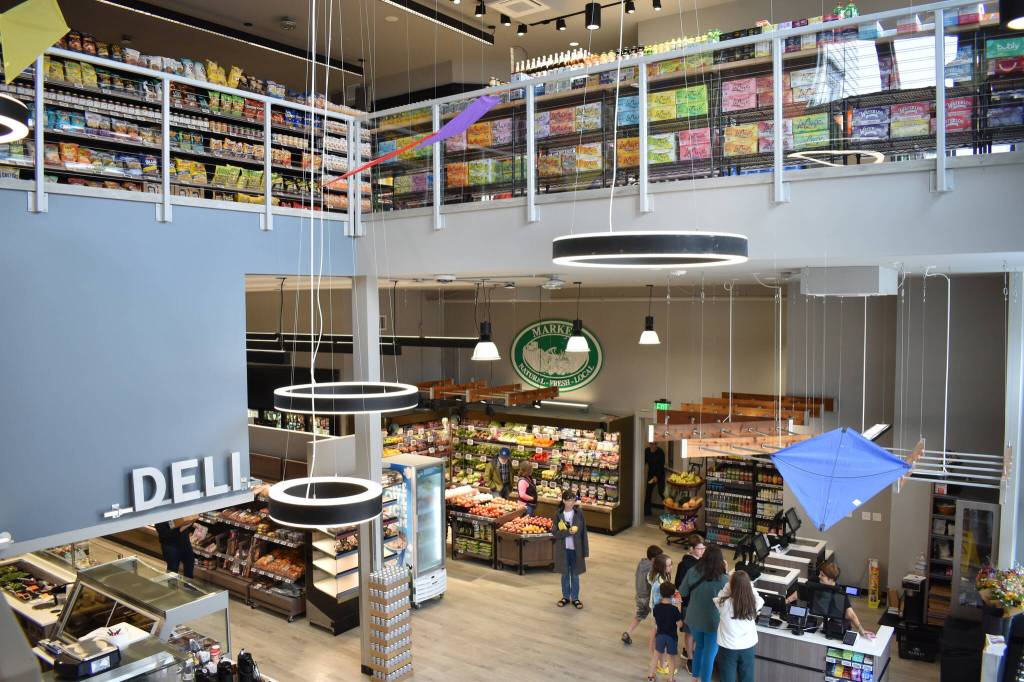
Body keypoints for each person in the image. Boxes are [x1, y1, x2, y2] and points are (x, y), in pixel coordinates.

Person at [786, 560, 875, 639]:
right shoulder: (815, 581)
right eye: (820, 574)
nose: (819, 576)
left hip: (829, 624)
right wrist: (787, 601)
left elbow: (850, 614)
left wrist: (861, 629)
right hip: (812, 619)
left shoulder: (839, 593)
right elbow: (800, 592)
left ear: (831, 579)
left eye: (822, 575)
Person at [679, 545, 729, 682]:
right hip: (713, 622)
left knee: (699, 647)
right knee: (709, 655)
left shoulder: (692, 571)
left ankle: (695, 677)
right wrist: (726, 572)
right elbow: (729, 602)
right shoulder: (724, 579)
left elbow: (683, 592)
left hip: (693, 618)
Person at [715, 570, 764, 682]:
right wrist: (748, 585)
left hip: (727, 648)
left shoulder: (723, 604)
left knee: (727, 678)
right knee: (747, 678)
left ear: (731, 586)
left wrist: (729, 583)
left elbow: (721, 594)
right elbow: (759, 598)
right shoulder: (753, 604)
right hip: (747, 647)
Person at [552, 489, 588, 609]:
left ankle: (575, 598)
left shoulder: (579, 513)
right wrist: (568, 532)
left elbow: (584, 533)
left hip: (576, 550)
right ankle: (566, 597)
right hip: (563, 550)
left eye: (573, 500)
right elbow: (555, 533)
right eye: (569, 500)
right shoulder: (558, 514)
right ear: (563, 501)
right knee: (565, 574)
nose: (571, 503)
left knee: (575, 575)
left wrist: (585, 550)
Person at [674, 534, 706, 668]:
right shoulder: (684, 565)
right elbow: (678, 584)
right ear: (691, 549)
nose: (702, 551)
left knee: (695, 631)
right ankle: (690, 658)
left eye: (703, 548)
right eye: (699, 549)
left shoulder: (702, 561)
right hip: (689, 603)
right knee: (690, 631)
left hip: (700, 602)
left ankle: (687, 649)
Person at [623, 544, 664, 645]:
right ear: (653, 559)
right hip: (648, 597)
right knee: (658, 617)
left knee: (640, 615)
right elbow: (655, 584)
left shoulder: (641, 563)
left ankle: (627, 633)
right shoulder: (652, 568)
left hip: (639, 596)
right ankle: (657, 640)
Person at [648, 581, 684, 682]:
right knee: (671, 658)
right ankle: (670, 679)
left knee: (656, 655)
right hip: (671, 637)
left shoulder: (656, 608)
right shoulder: (674, 610)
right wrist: (679, 608)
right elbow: (680, 624)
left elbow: (655, 622)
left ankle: (651, 676)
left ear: (661, 593)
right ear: (673, 594)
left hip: (660, 635)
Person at [643, 441, 667, 517]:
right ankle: (647, 512)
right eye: (652, 444)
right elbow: (643, 462)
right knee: (648, 492)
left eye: (655, 444)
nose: (653, 446)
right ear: (649, 444)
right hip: (651, 474)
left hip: (660, 474)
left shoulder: (661, 452)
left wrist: (656, 476)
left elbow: (661, 466)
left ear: (657, 444)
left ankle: (668, 509)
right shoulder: (647, 451)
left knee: (661, 492)